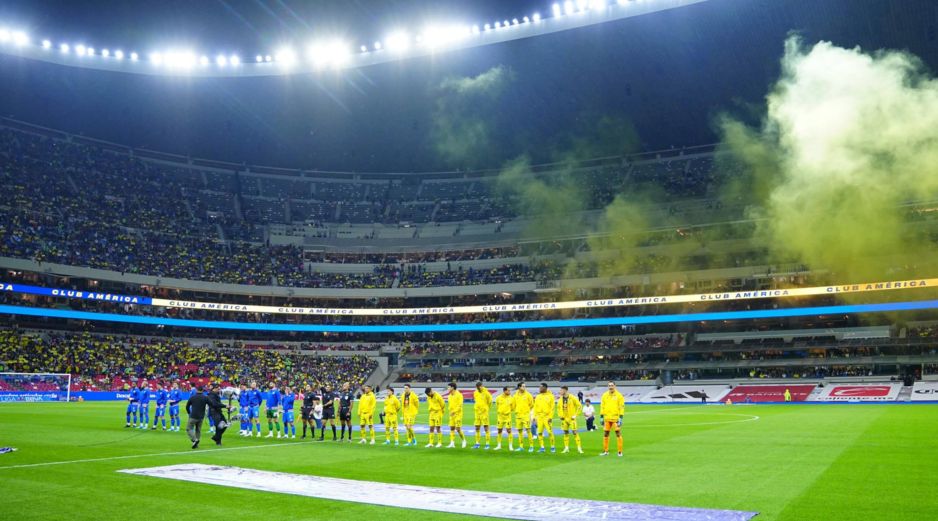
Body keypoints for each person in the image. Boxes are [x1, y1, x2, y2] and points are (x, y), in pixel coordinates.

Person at [600, 381, 625, 457]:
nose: (610, 387)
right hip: (607, 418)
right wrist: (601, 417)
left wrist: (621, 417)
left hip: (615, 418)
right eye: (609, 385)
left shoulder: (619, 395)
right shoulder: (604, 395)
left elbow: (621, 407)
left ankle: (620, 452)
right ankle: (606, 451)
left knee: (618, 433)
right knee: (606, 434)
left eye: (612, 385)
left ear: (615, 386)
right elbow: (602, 406)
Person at [557, 386, 584, 454]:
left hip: (571, 419)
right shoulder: (560, 399)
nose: (560, 392)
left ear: (565, 390)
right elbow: (558, 408)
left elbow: (579, 406)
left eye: (561, 390)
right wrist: (560, 415)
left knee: (575, 432)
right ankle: (566, 448)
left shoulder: (572, 397)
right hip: (564, 419)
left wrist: (575, 415)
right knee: (565, 433)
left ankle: (579, 448)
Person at [533, 383, 556, 453]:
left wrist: (550, 417)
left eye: (541, 387)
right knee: (539, 433)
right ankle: (542, 447)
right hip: (539, 417)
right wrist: (535, 417)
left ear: (545, 388)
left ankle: (552, 447)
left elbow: (552, 408)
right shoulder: (538, 396)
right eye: (539, 387)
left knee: (550, 432)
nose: (539, 389)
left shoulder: (550, 396)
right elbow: (535, 407)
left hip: (547, 417)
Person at [512, 382, 534, 452]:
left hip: (525, 415)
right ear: (519, 387)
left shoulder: (528, 395)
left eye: (525, 386)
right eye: (523, 386)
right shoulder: (515, 395)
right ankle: (521, 446)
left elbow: (531, 404)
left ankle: (531, 446)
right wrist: (517, 411)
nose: (524, 388)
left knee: (528, 430)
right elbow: (514, 405)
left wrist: (526, 411)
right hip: (518, 415)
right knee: (520, 431)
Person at [472, 381, 492, 450]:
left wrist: (486, 409)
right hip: (477, 412)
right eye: (477, 387)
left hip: (484, 413)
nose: (478, 388)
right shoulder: (475, 393)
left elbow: (490, 402)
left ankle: (487, 444)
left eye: (479, 387)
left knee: (486, 428)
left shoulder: (486, 393)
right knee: (477, 428)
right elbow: (476, 400)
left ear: (482, 386)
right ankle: (477, 443)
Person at [493, 386, 514, 451]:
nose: (509, 392)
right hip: (500, 417)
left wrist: (507, 412)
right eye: (508, 390)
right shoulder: (498, 398)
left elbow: (512, 408)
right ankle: (499, 445)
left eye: (509, 390)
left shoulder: (511, 398)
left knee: (509, 430)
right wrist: (500, 411)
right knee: (499, 431)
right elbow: (497, 406)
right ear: (504, 391)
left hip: (508, 417)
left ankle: (510, 446)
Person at [446, 382, 466, 448]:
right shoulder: (449, 396)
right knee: (451, 428)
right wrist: (450, 410)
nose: (448, 388)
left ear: (452, 387)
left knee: (458, 429)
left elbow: (460, 405)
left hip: (458, 414)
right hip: (452, 415)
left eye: (449, 387)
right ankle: (452, 443)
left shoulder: (459, 395)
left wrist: (454, 411)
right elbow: (450, 405)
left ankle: (464, 440)